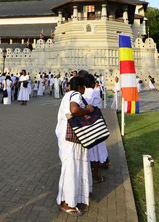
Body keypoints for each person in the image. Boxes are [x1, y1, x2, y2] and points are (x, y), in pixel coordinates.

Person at [55, 76, 93, 217]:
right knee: (72, 168)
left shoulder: (67, 95)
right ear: (80, 87)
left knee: (71, 167)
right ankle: (67, 203)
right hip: (72, 138)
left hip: (67, 137)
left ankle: (72, 198)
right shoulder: (76, 95)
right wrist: (88, 110)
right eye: (84, 86)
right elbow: (74, 110)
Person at [82, 73, 109, 182]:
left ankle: (90, 171)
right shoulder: (94, 93)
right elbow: (98, 109)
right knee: (96, 149)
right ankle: (96, 176)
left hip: (84, 124)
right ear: (93, 83)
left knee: (88, 150)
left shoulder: (81, 94)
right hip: (95, 124)